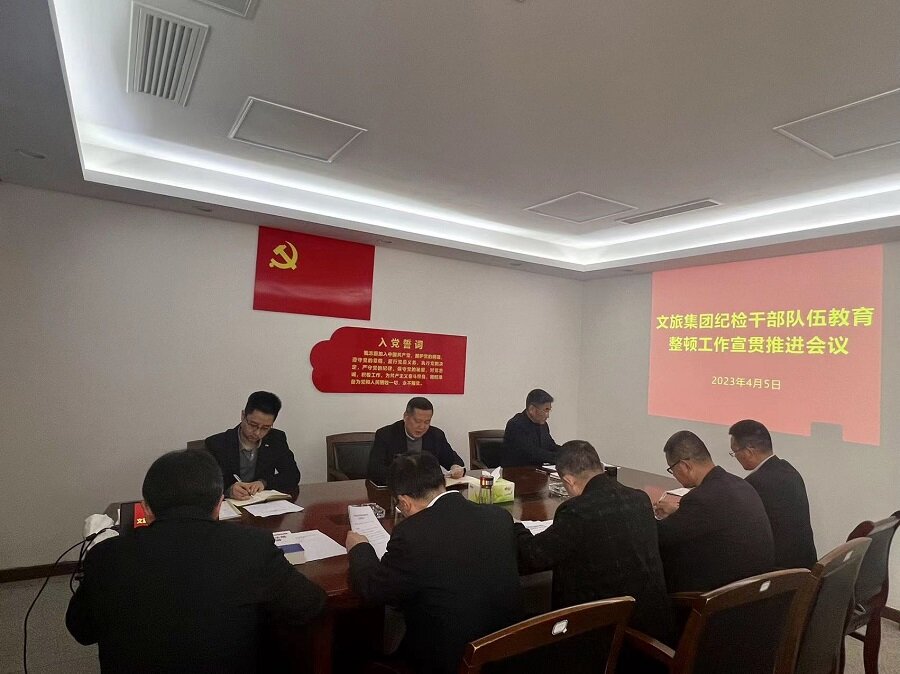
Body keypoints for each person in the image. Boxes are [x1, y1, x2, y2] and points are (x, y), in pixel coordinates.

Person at [66, 449, 326, 673]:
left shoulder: (107, 554)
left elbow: (81, 631)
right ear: (219, 505)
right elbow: (310, 604)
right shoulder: (252, 546)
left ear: (146, 508)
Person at [347, 453, 523, 674]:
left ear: (404, 502)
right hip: (508, 653)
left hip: (451, 661)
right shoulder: (498, 517)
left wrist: (359, 548)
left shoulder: (412, 535)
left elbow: (372, 590)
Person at [515, 441, 673, 645]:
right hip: (654, 627)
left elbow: (534, 556)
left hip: (604, 635)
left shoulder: (576, 511)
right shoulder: (640, 499)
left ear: (569, 481)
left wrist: (516, 526)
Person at [654, 430, 774, 592]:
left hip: (720, 597)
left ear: (684, 466)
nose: (674, 475)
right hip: (755, 590)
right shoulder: (740, 485)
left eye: (672, 469)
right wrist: (677, 512)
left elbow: (660, 537)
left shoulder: (701, 498)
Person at [729, 419, 817, 569]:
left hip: (779, 572)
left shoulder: (755, 483)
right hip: (806, 565)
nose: (735, 456)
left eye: (735, 452)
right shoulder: (788, 470)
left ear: (749, 451)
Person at [205, 391, 301, 499]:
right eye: (253, 425)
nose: (257, 433)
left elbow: (292, 475)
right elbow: (206, 484)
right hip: (230, 505)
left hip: (262, 505)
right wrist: (229, 490)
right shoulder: (218, 444)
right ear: (243, 416)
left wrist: (264, 482)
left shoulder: (276, 439)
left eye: (265, 428)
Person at [367, 397, 466, 485]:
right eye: (417, 421)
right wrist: (409, 480)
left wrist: (455, 467)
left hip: (428, 492)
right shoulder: (386, 435)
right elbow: (375, 470)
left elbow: (453, 459)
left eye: (427, 422)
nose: (422, 427)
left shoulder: (436, 435)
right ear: (406, 417)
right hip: (398, 492)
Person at [502, 388, 561, 466]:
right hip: (516, 471)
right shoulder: (515, 425)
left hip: (536, 470)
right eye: (546, 410)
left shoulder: (543, 425)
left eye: (549, 410)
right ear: (531, 409)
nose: (548, 415)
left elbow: (551, 446)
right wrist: (561, 458)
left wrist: (569, 452)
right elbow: (533, 453)